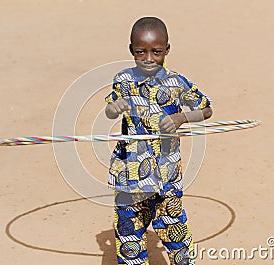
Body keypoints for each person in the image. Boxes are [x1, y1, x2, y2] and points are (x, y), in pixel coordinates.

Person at [104, 17, 212, 265]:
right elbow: (110, 110)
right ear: (131, 50)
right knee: (129, 237)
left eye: (157, 52)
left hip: (166, 177)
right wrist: (115, 107)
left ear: (167, 50)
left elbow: (206, 110)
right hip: (131, 179)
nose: (149, 59)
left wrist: (181, 117)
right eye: (140, 52)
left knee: (177, 236)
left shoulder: (177, 83)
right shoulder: (123, 80)